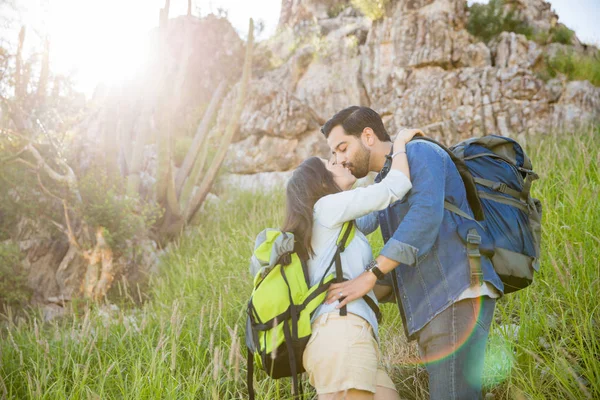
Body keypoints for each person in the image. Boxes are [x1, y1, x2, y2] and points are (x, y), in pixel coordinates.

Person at [321, 106, 504, 400]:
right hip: (433, 307)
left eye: (342, 148)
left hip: (455, 295)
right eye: (333, 154)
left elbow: (425, 217)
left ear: (367, 136)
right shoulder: (386, 184)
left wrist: (370, 276)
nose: (340, 158)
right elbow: (355, 225)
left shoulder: (419, 152)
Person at [282, 128, 422, 399]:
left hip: (354, 335)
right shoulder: (327, 207)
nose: (341, 162)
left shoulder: (332, 224)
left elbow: (379, 213)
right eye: (331, 164)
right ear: (321, 184)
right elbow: (396, 186)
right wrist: (401, 143)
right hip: (342, 333)